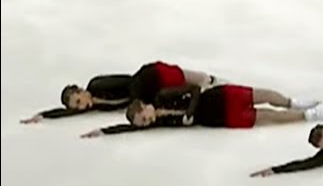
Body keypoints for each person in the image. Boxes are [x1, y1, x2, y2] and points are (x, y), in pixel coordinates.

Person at [80, 84, 323, 136]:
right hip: (219, 117)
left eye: (144, 118)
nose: (147, 122)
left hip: (218, 96)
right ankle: (306, 116)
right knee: (266, 117)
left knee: (263, 95)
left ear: (145, 106)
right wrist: (103, 131)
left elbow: (194, 88)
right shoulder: (160, 124)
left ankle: (293, 102)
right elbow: (126, 128)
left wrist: (190, 110)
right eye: (144, 124)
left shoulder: (161, 95)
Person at [19, 61, 221, 124]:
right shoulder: (95, 105)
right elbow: (65, 112)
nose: (84, 106)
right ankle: (208, 85)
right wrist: (42, 116)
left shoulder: (96, 85)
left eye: (80, 100)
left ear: (81, 89)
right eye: (78, 107)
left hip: (146, 79)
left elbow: (127, 79)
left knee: (188, 78)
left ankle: (209, 80)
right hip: (147, 94)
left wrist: (139, 97)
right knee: (182, 90)